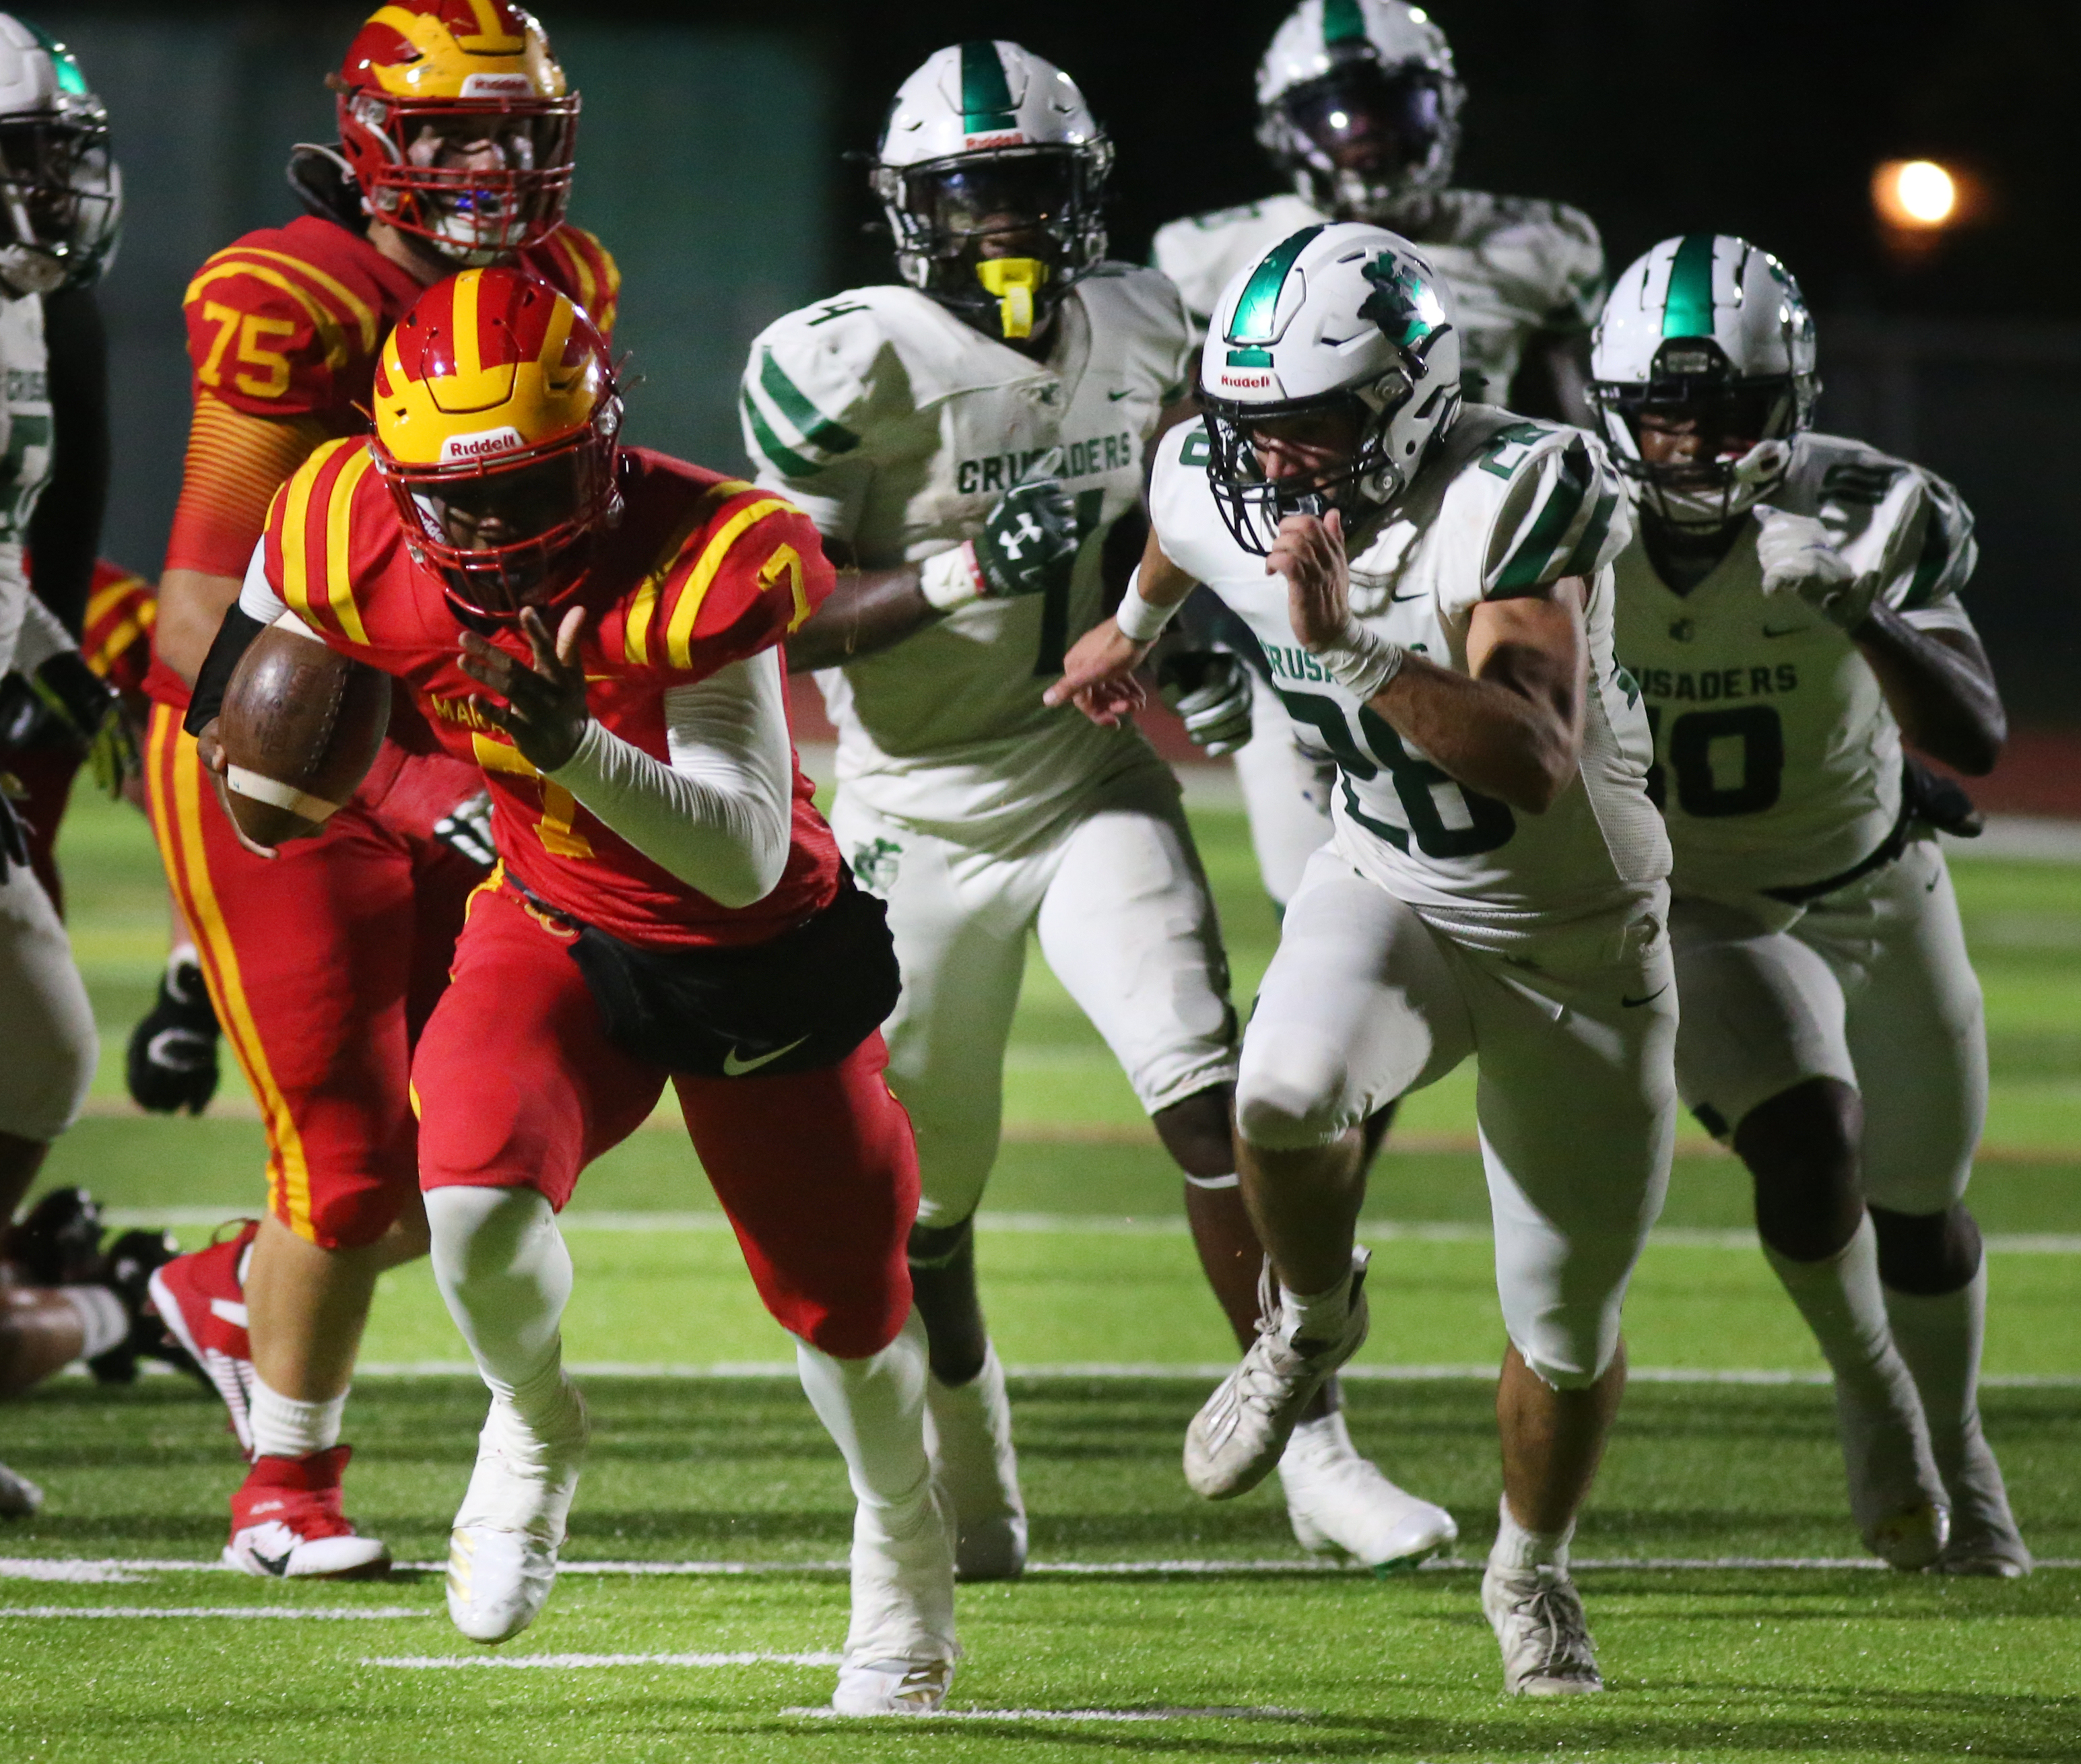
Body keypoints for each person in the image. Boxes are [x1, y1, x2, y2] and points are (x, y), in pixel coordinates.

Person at [189, 265, 956, 1714]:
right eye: (454, 495)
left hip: (757, 958)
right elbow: (261, 645)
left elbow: (735, 854)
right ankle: (536, 1422)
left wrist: (565, 749)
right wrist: (267, 768)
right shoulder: (346, 512)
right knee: (470, 1193)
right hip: (551, 921)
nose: (485, 527)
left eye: (528, 483)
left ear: (601, 449)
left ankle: (901, 1541)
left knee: (846, 1314)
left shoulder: (705, 549)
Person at [741, 40, 1454, 1579]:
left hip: (1082, 776)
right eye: (971, 193)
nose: (1002, 223)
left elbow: (1178, 507)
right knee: (928, 1190)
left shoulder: (1143, 315)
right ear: (907, 207)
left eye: (1028, 190)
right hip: (914, 807)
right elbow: (776, 612)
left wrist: (1173, 632)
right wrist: (968, 567)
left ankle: (1315, 1447)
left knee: (1210, 1085)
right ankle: (969, 1466)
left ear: (1083, 195)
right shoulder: (839, 356)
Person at [1051, 222, 1673, 1695]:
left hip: (1576, 931)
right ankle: (1311, 1320)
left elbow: (1532, 755)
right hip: (1389, 877)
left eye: (1312, 427)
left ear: (1407, 397)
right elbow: (1176, 521)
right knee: (1279, 1092)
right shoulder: (1218, 463)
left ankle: (1532, 1567)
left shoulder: (1525, 484)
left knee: (1569, 1324)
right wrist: (1128, 627)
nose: (1274, 464)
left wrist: (1351, 655)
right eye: (1254, 425)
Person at [138, 0, 620, 1580]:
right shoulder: (298, 297)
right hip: (277, 746)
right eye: (450, 135)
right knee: (343, 1160)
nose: (489, 168)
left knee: (470, 1143)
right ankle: (287, 1488)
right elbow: (201, 620)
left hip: (460, 738)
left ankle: (225, 1292)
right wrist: (404, 786)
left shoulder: (565, 281)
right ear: (371, 146)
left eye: (517, 134)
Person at [1593, 234, 2028, 1575]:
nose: (1692, 449)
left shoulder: (1862, 507)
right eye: (1663, 416)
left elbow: (1981, 732)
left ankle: (1957, 1438)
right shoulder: (1563, 520)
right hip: (1703, 901)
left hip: (1874, 885)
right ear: (1613, 412)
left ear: (1791, 406)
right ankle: (1878, 1399)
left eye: (1725, 417)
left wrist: (1861, 610)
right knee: (1810, 1140)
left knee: (1922, 1202)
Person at [1152, 0, 1609, 912]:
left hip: (1464, 584)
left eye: (1391, 111)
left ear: (1442, 109)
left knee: (1530, 858)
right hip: (1283, 593)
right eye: (1335, 115)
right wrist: (1190, 627)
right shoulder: (1212, 254)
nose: (1363, 142)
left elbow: (1585, 434)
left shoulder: (1536, 246)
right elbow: (1186, 456)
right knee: (1320, 894)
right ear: (1283, 129)